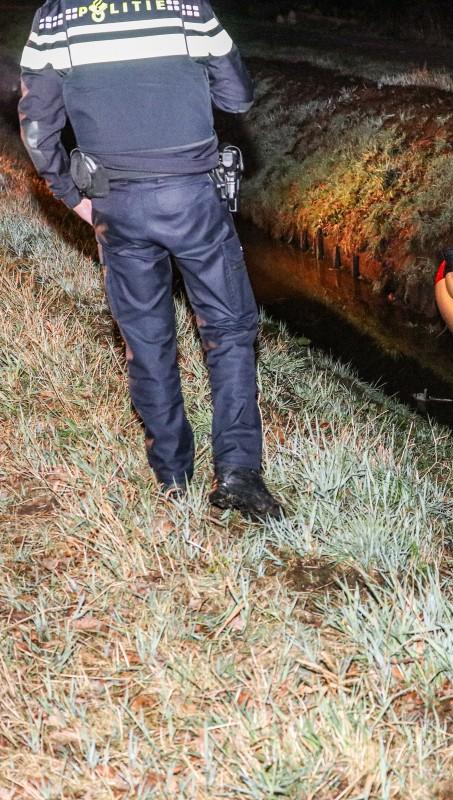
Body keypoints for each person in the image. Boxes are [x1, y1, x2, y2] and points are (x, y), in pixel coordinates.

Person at [18, 0, 283, 520]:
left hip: (117, 202)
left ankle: (172, 475)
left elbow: (37, 129)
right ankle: (238, 475)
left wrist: (76, 198)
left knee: (146, 336)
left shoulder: (55, 17)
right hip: (193, 198)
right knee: (228, 330)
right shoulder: (187, 8)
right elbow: (238, 96)